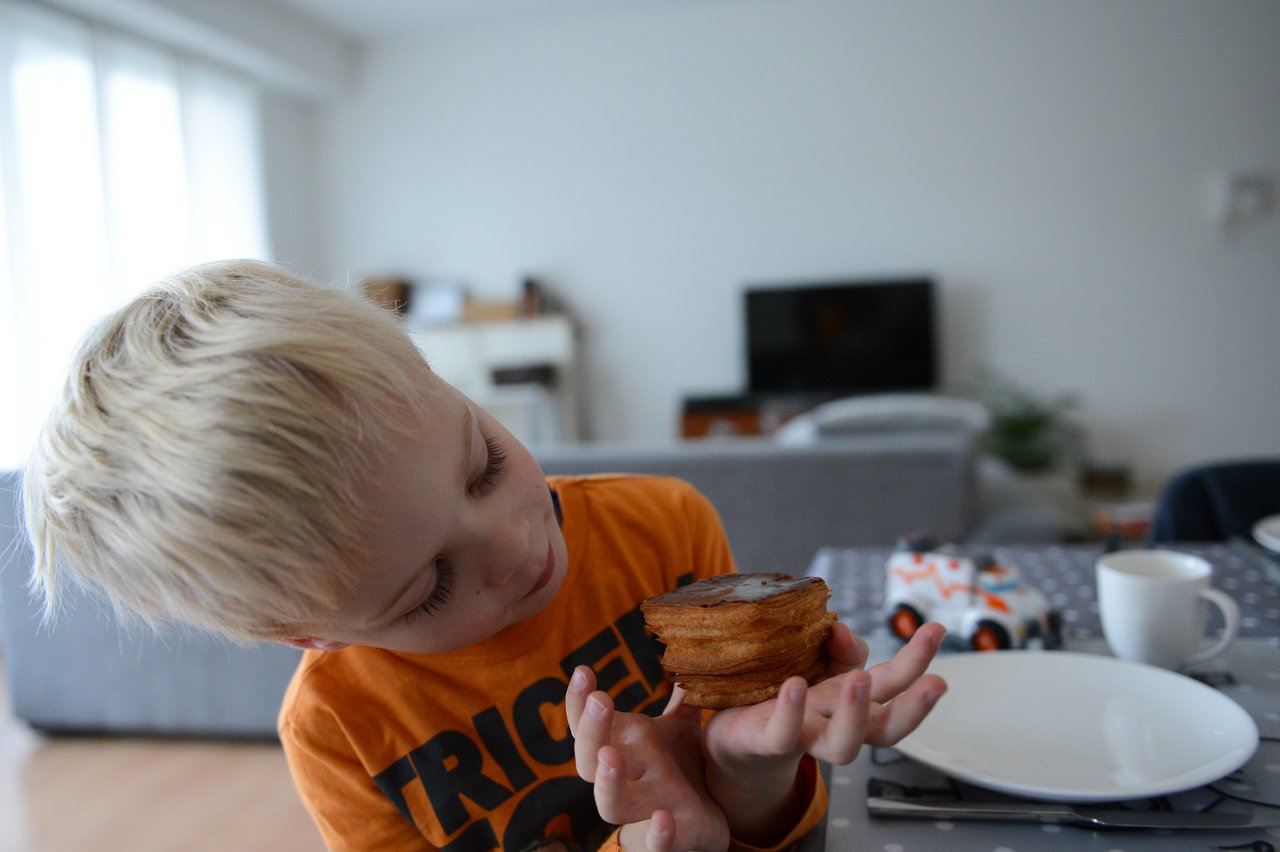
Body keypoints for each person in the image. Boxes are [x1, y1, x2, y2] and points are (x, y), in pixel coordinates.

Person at [24, 259, 947, 851]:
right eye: (427, 587)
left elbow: (786, 818)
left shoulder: (666, 529)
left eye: (483, 463)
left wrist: (750, 779)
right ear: (304, 632)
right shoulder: (342, 733)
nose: (514, 545)